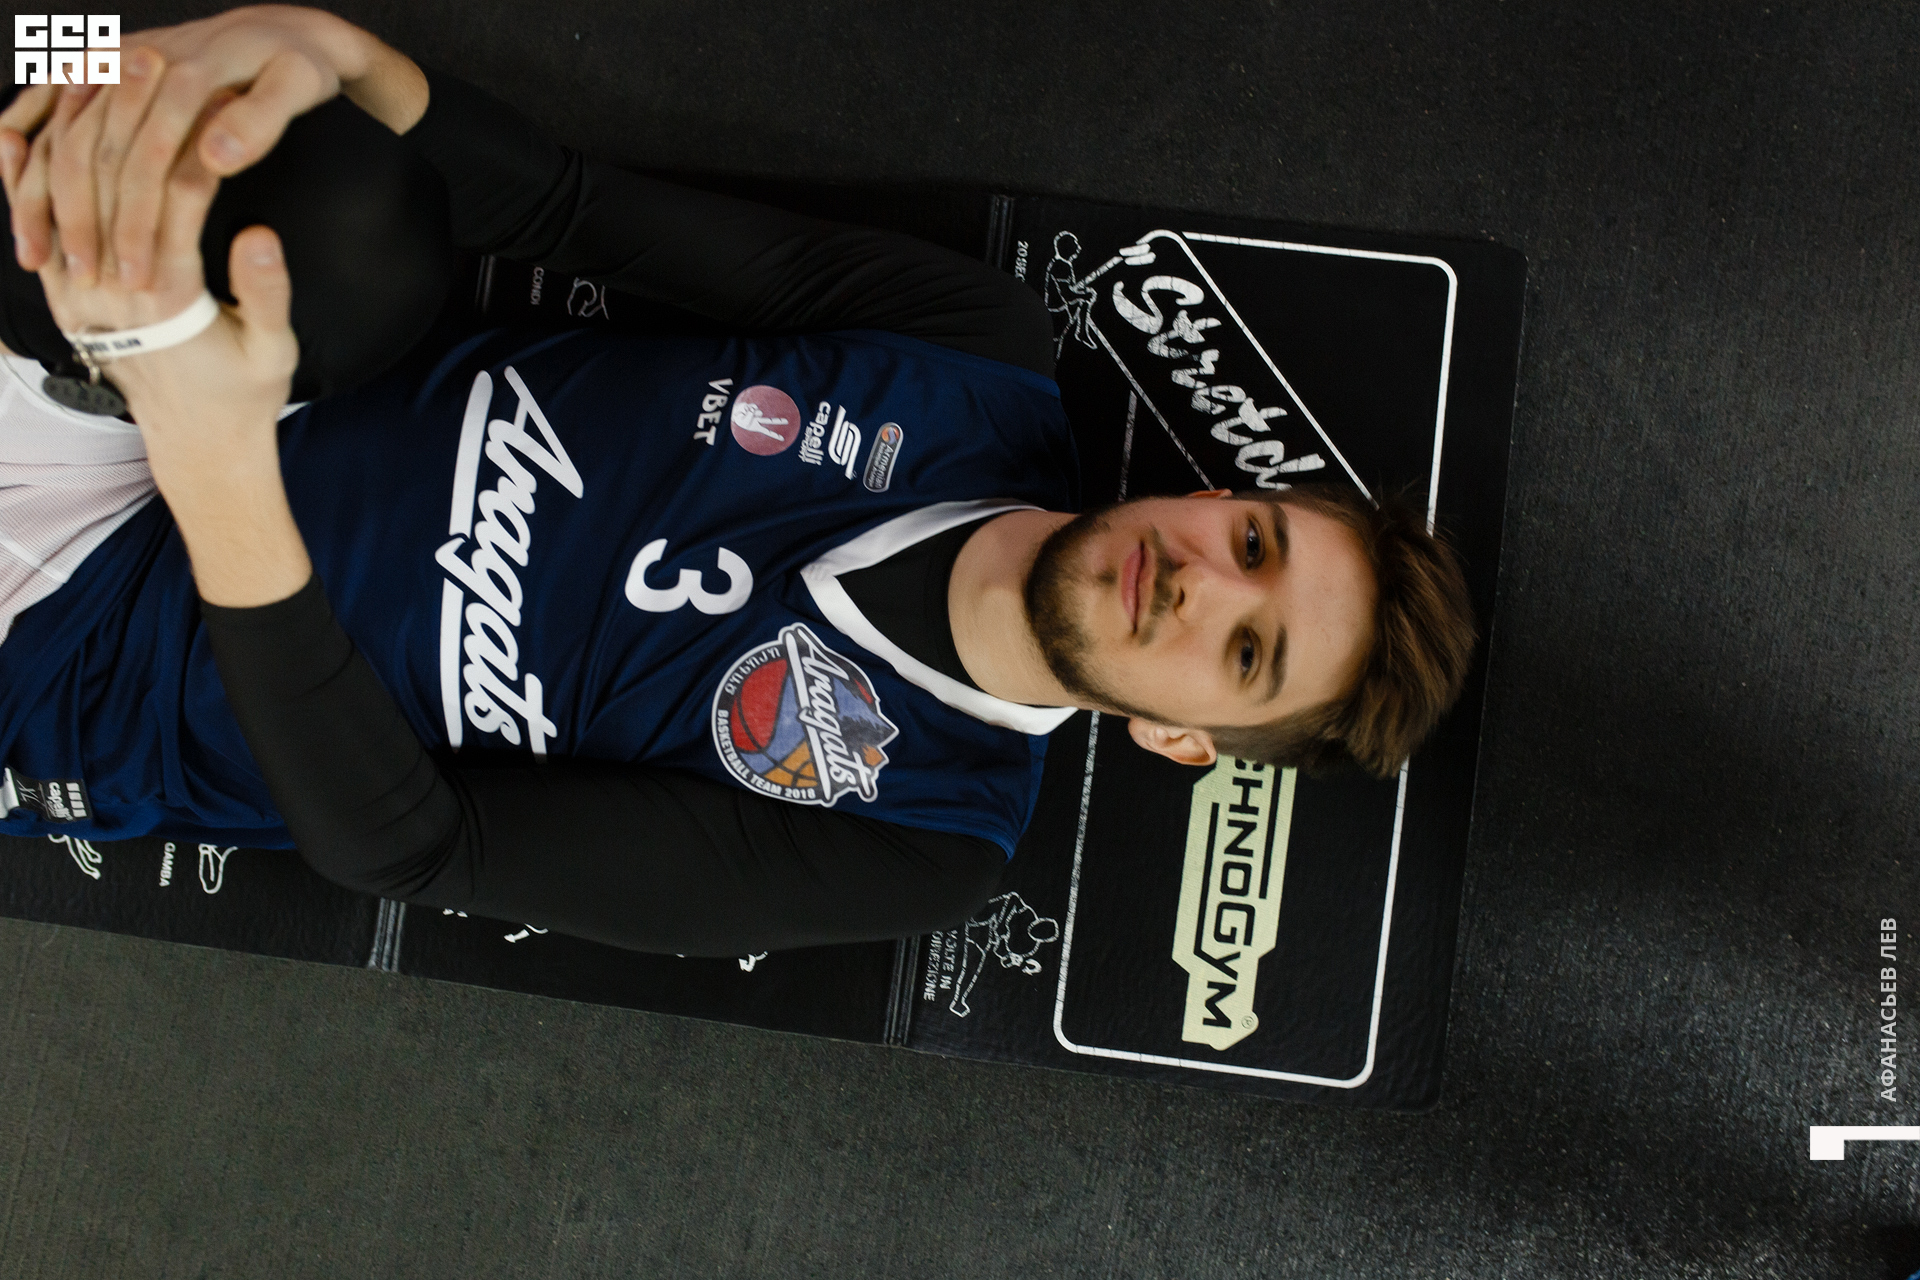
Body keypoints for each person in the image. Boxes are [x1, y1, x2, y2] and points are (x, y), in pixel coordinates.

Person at [0, 6, 1475, 956]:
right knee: (314, 168)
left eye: (1245, 652)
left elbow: (409, 843)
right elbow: (561, 206)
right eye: (1255, 542)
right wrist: (327, 49)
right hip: (204, 373)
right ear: (1221, 498)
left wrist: (216, 465)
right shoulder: (975, 354)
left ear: (1180, 739)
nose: (1204, 584)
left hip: (89, 672)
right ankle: (45, 41)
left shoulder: (927, 837)